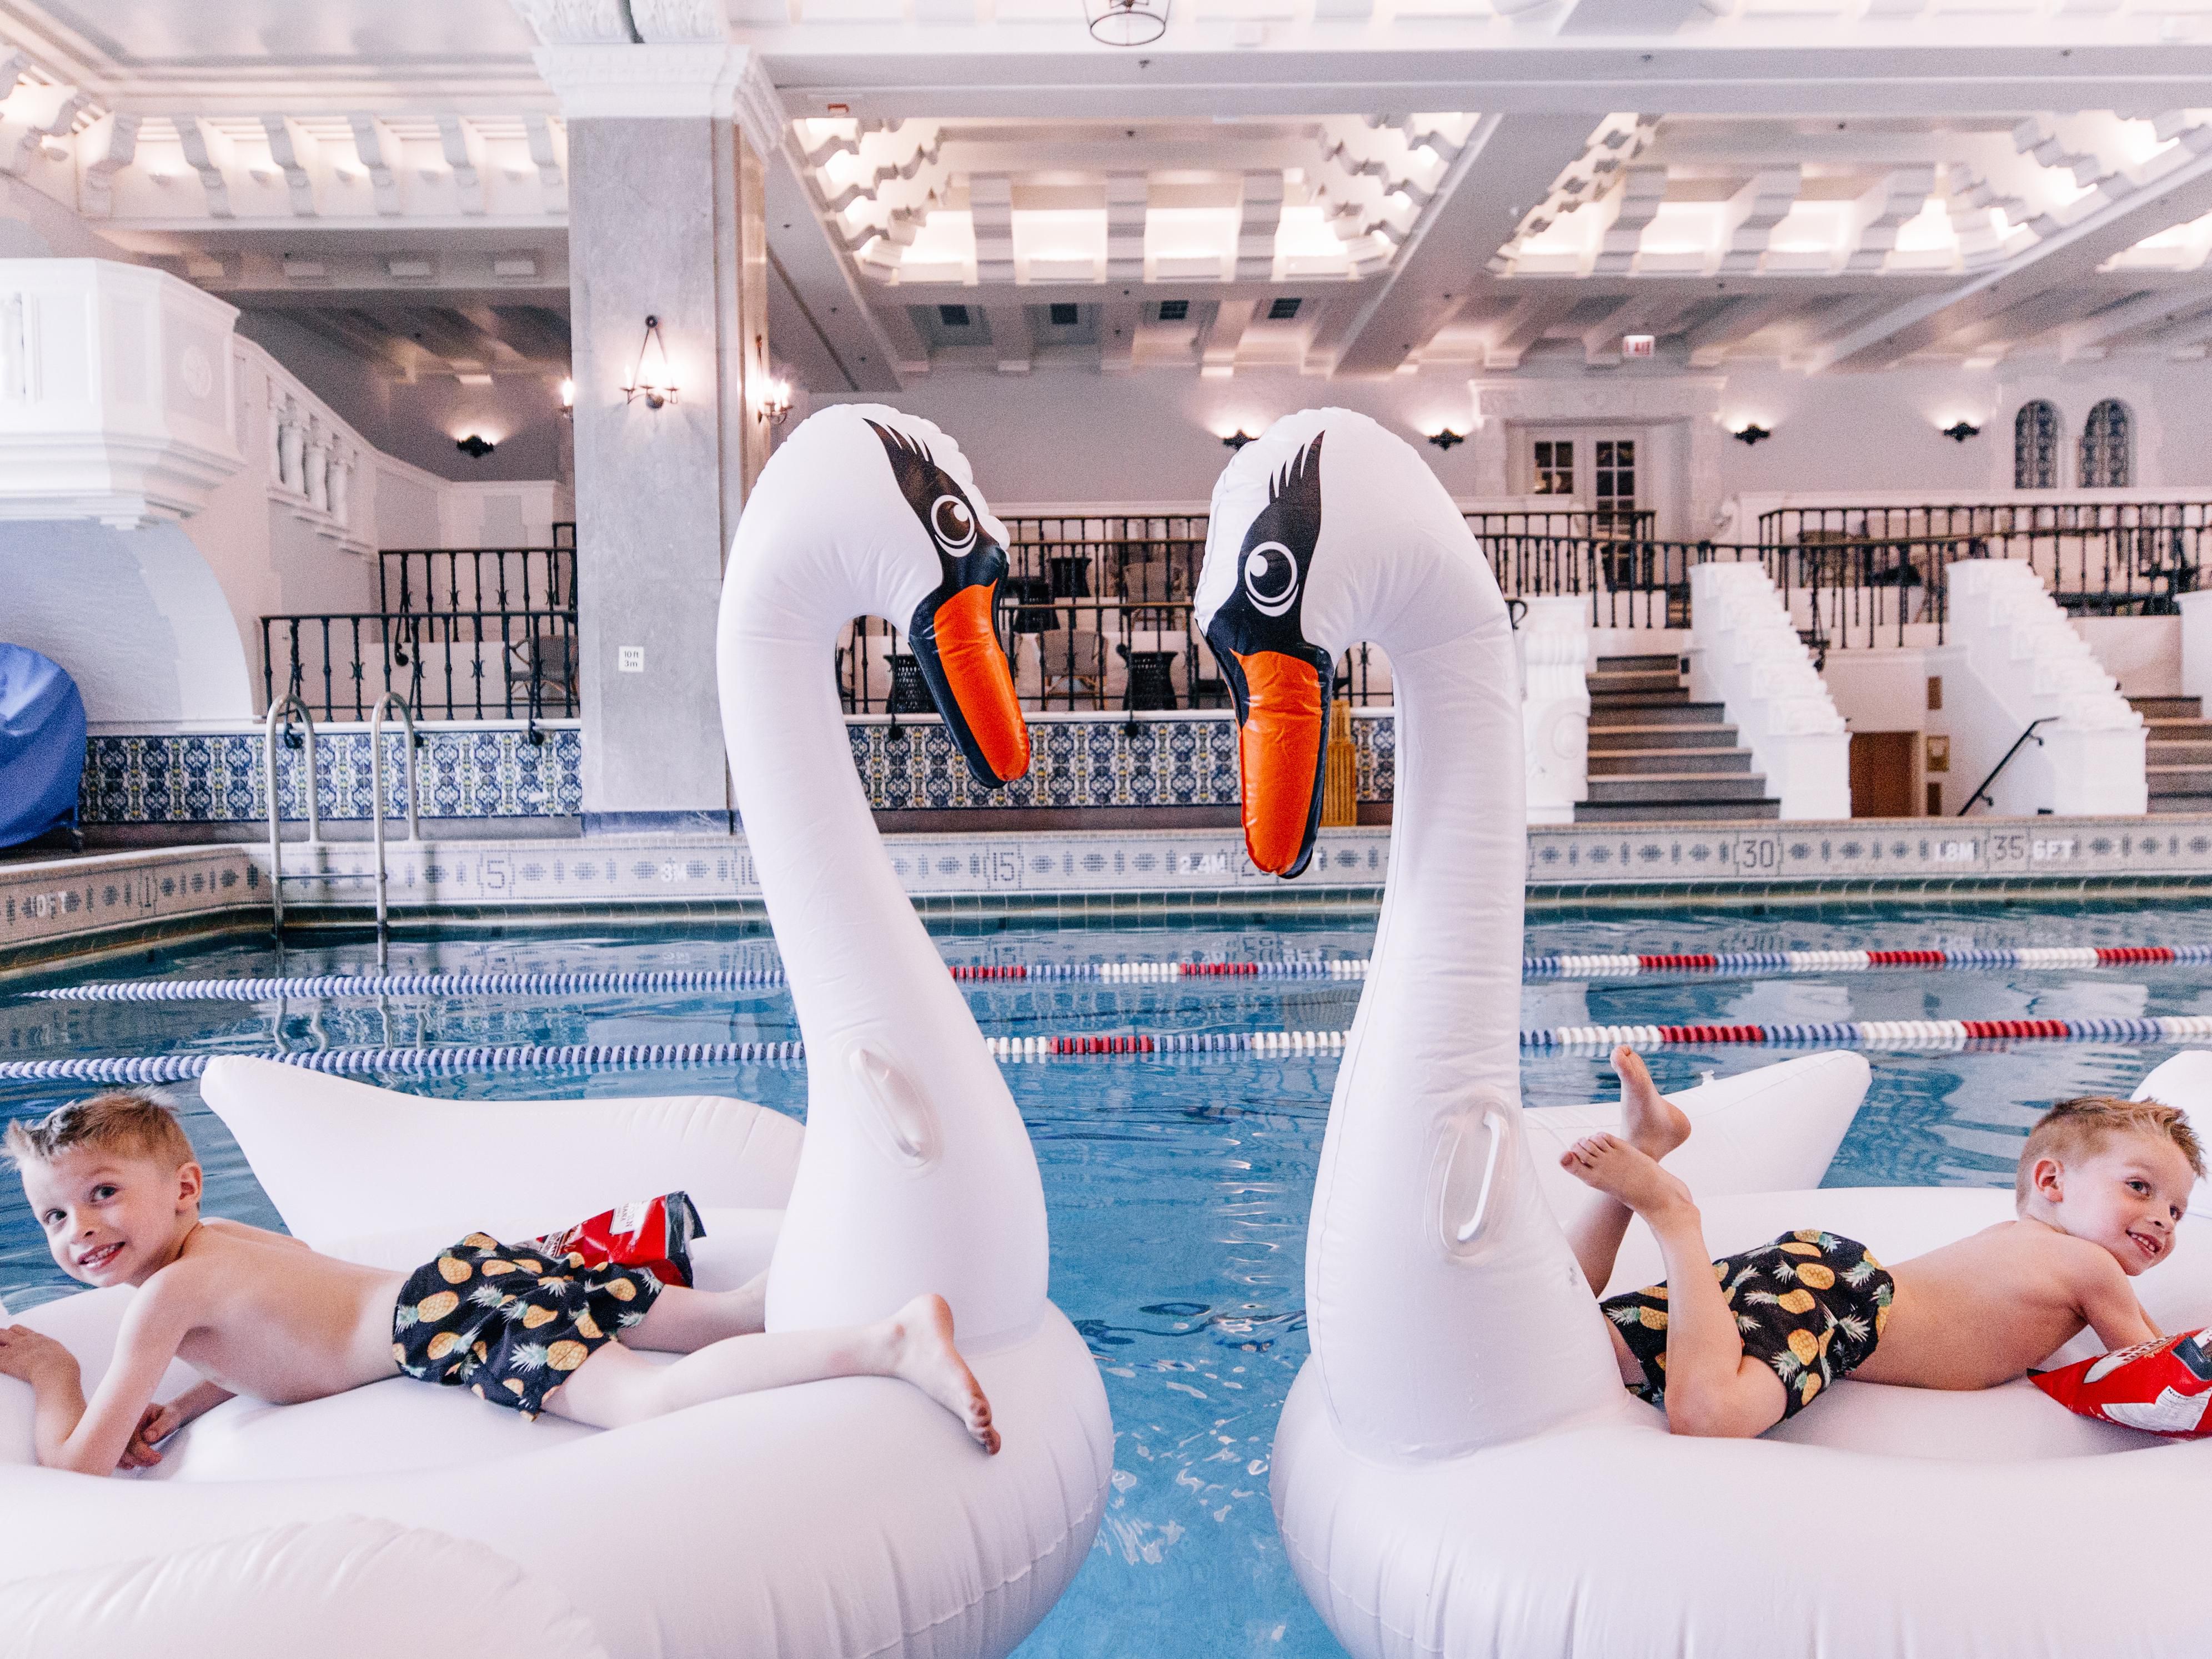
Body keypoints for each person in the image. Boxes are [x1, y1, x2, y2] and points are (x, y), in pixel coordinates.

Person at [0, 1091, 998, 1476]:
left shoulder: (161, 1300)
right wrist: (182, 1401)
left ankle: (889, 1342)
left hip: (448, 1321)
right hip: (469, 1270)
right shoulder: (214, 1241)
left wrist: (52, 1371)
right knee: (735, 1314)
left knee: (641, 1403)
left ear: (179, 1188)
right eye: (53, 1214)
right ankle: (853, 1235)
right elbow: (278, 1320)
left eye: (101, 1194)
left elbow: (80, 1469)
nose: (79, 1229)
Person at [1561, 1046, 2203, 1438]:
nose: (2162, 1219)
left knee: (1567, 1337)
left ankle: (1644, 1144)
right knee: (1710, 1416)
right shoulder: (2089, 1264)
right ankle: (1673, 1213)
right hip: (1845, 1304)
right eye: (2139, 1187)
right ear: (2050, 1180)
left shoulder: (2012, 1239)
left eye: (2176, 1209)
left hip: (1803, 1271)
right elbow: (2157, 1370)